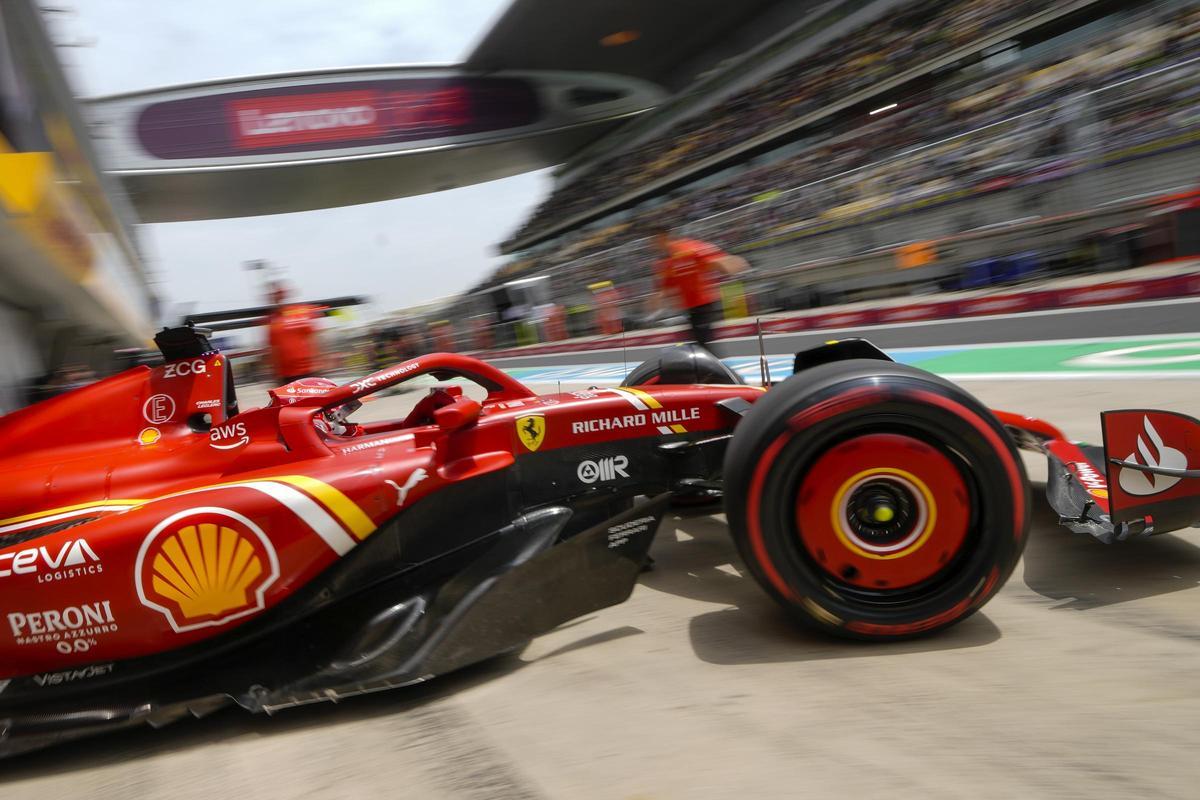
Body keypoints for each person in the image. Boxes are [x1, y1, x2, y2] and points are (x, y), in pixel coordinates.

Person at [648, 226, 748, 348]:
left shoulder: (687, 248)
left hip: (703, 305)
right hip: (690, 309)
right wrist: (658, 298)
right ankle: (709, 364)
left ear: (663, 237)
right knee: (701, 345)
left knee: (703, 345)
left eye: (654, 240)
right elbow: (667, 285)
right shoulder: (667, 261)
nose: (652, 244)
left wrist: (726, 262)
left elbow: (712, 257)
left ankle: (713, 365)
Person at [265, 282, 324, 384]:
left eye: (280, 293)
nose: (279, 297)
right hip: (286, 375)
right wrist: (276, 375)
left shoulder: (302, 312)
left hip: (309, 370)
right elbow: (272, 350)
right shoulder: (272, 320)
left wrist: (321, 363)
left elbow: (314, 338)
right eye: (275, 294)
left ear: (286, 294)